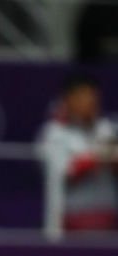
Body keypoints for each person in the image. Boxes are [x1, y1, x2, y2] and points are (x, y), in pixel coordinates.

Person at [37, 75, 118, 232]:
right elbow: (65, 174)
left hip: (108, 216)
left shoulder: (108, 129)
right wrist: (98, 157)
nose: (89, 102)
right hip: (72, 218)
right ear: (68, 100)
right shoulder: (54, 133)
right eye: (82, 97)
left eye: (92, 97)